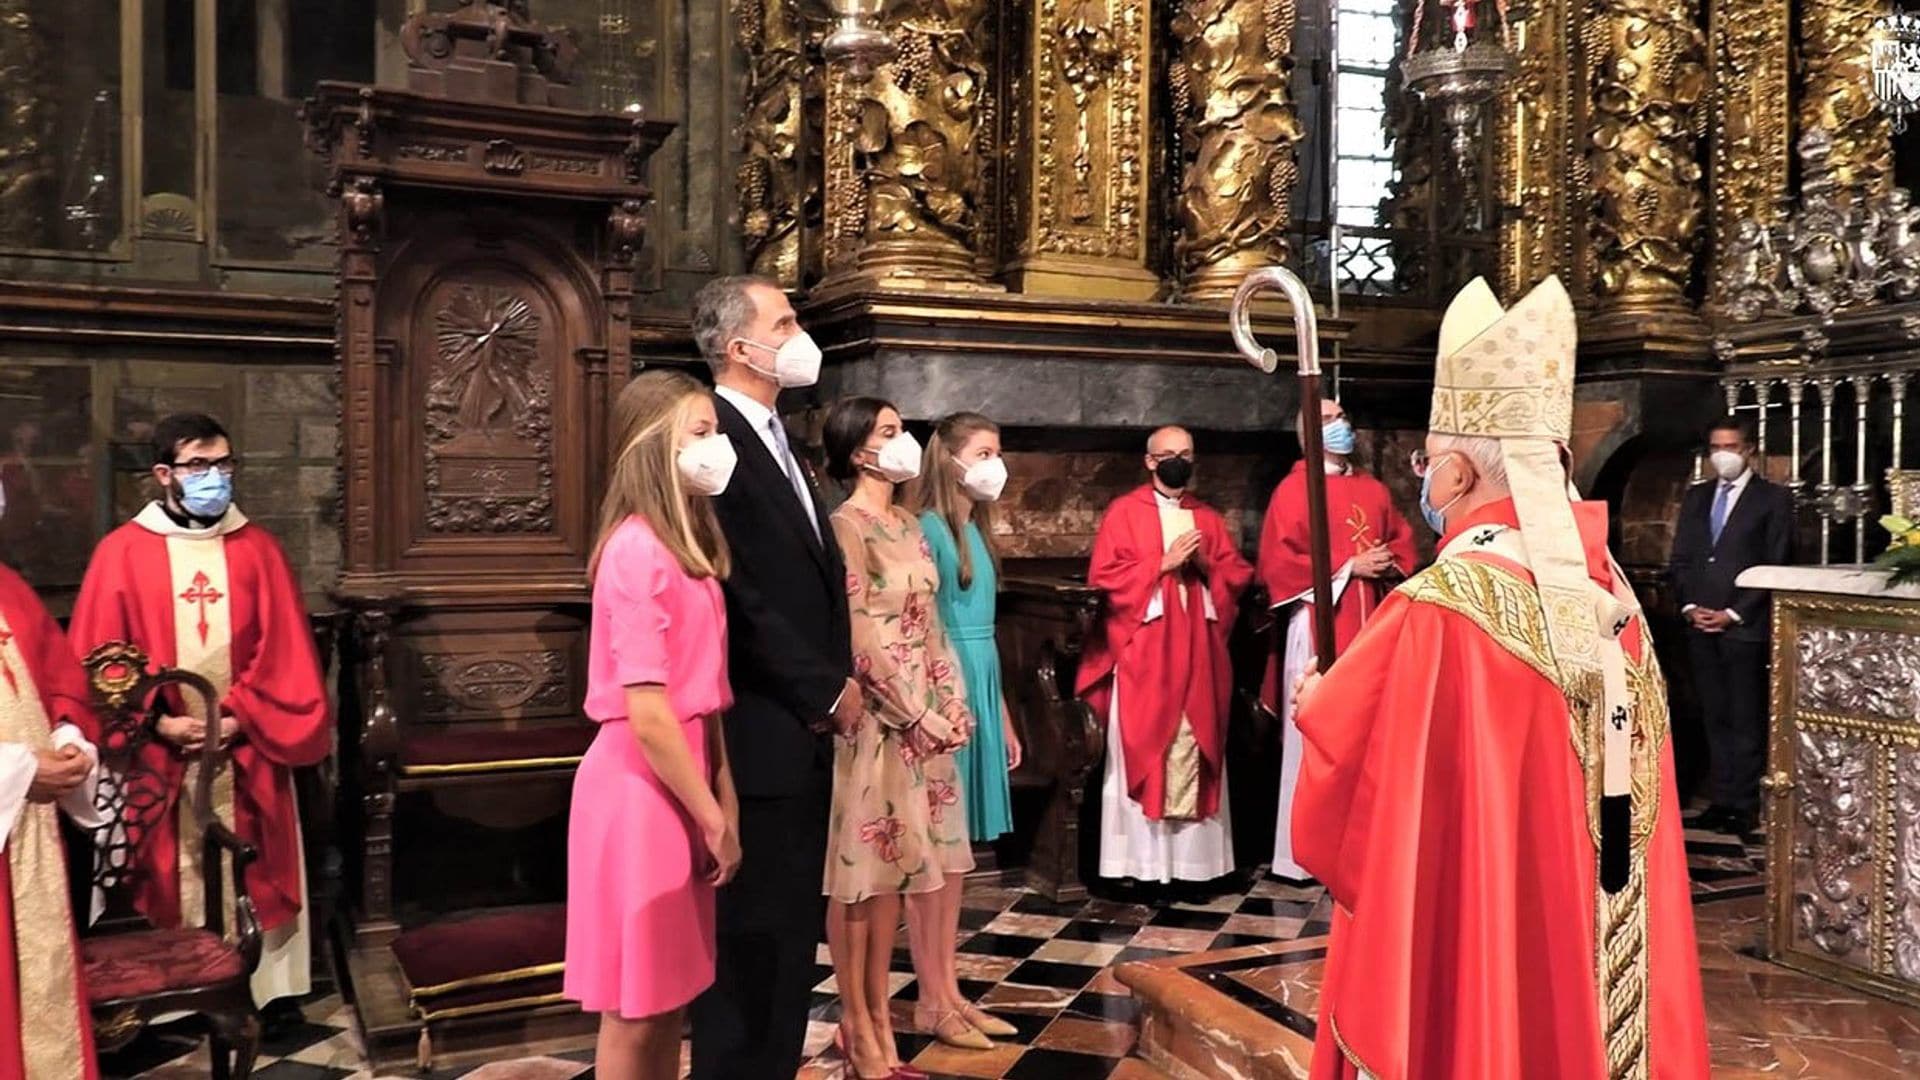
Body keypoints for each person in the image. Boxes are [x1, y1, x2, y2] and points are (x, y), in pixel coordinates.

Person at [1290, 277, 1709, 1078]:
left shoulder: (1442, 605)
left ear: (1453, 475)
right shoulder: (1613, 593)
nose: (1423, 479)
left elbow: (1359, 782)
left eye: (1425, 460)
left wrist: (1318, 707)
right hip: (1602, 928)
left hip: (1487, 931)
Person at [69, 412, 329, 1016]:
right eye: (198, 465)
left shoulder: (259, 549)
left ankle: (268, 988)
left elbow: (286, 652)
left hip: (246, 746)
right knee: (169, 866)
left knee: (256, 861)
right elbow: (98, 663)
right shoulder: (122, 554)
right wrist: (155, 723)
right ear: (165, 474)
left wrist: (237, 716)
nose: (214, 476)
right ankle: (176, 995)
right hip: (160, 754)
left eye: (223, 463)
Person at [688, 276, 861, 1080]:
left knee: (789, 940)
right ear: (739, 347)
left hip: (800, 733)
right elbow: (738, 585)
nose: (799, 335)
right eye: (785, 322)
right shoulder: (713, 435)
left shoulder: (780, 432)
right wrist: (821, 687)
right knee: (750, 944)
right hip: (759, 726)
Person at [566, 370, 743, 1078]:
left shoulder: (687, 544)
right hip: (641, 789)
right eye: (699, 434)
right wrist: (710, 814)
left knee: (672, 995)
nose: (716, 447)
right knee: (635, 1006)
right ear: (653, 448)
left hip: (686, 772)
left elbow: (705, 692)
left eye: (716, 431)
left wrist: (722, 788)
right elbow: (648, 711)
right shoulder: (636, 550)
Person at [824, 397, 987, 1076]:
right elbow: (859, 632)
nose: (904, 444)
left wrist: (953, 699)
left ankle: (902, 1006)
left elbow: (932, 618)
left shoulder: (907, 523)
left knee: (914, 868)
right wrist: (914, 711)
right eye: (890, 434)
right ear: (859, 450)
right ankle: (856, 1022)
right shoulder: (847, 524)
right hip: (883, 720)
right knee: (864, 874)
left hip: (929, 712)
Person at [1078, 426, 1253, 887]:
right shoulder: (1124, 512)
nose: (1179, 461)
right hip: (1146, 654)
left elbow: (1235, 575)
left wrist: (1204, 565)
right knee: (1146, 744)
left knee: (1195, 739)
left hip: (1198, 650)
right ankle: (1140, 868)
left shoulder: (1207, 518)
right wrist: (1161, 563)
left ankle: (1197, 870)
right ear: (1150, 461)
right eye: (1169, 454)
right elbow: (1104, 578)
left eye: (1187, 454)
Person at [1255, 397, 1415, 881]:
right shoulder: (1292, 491)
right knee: (1317, 729)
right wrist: (1348, 568)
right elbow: (1278, 564)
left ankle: (1367, 850)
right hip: (1321, 617)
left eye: (1343, 416)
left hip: (1375, 620)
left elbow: (1403, 541)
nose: (1342, 424)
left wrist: (1388, 560)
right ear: (1308, 430)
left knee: (1374, 738)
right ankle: (1302, 855)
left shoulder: (1374, 489)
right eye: (1328, 419)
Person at [0, 561, 106, 1080]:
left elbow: (64, 684)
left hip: (31, 838)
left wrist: (69, 741)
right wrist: (18, 769)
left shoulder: (11, 586)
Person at [1667, 416, 1793, 836]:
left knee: (1745, 717)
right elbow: (1682, 558)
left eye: (1732, 447)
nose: (1723, 455)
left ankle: (1744, 804)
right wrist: (1689, 606)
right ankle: (1721, 799)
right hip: (1698, 622)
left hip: (1744, 626)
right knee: (1712, 714)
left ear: (1749, 450)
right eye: (1716, 447)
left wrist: (1734, 612)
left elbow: (1777, 563)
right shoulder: (1698, 497)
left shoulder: (1772, 499)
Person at [909, 412, 1022, 844]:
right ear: (950, 461)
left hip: (983, 669)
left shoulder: (978, 529)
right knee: (943, 821)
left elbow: (987, 635)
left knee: (966, 833)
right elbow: (927, 623)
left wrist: (1003, 717)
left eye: (998, 454)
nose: (995, 465)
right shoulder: (930, 529)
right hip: (949, 674)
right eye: (983, 454)